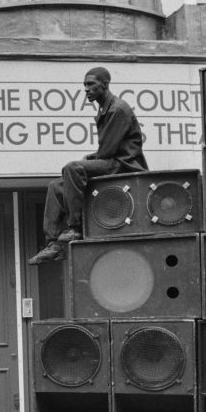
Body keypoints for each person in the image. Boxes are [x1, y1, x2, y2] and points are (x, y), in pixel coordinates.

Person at [28, 66, 149, 265]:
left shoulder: (118, 109)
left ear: (105, 84)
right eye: (84, 85)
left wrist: (90, 159)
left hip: (124, 165)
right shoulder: (104, 108)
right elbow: (105, 149)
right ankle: (53, 244)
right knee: (55, 186)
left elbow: (108, 150)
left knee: (72, 168)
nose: (86, 89)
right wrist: (92, 157)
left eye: (91, 84)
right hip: (112, 160)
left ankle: (75, 227)